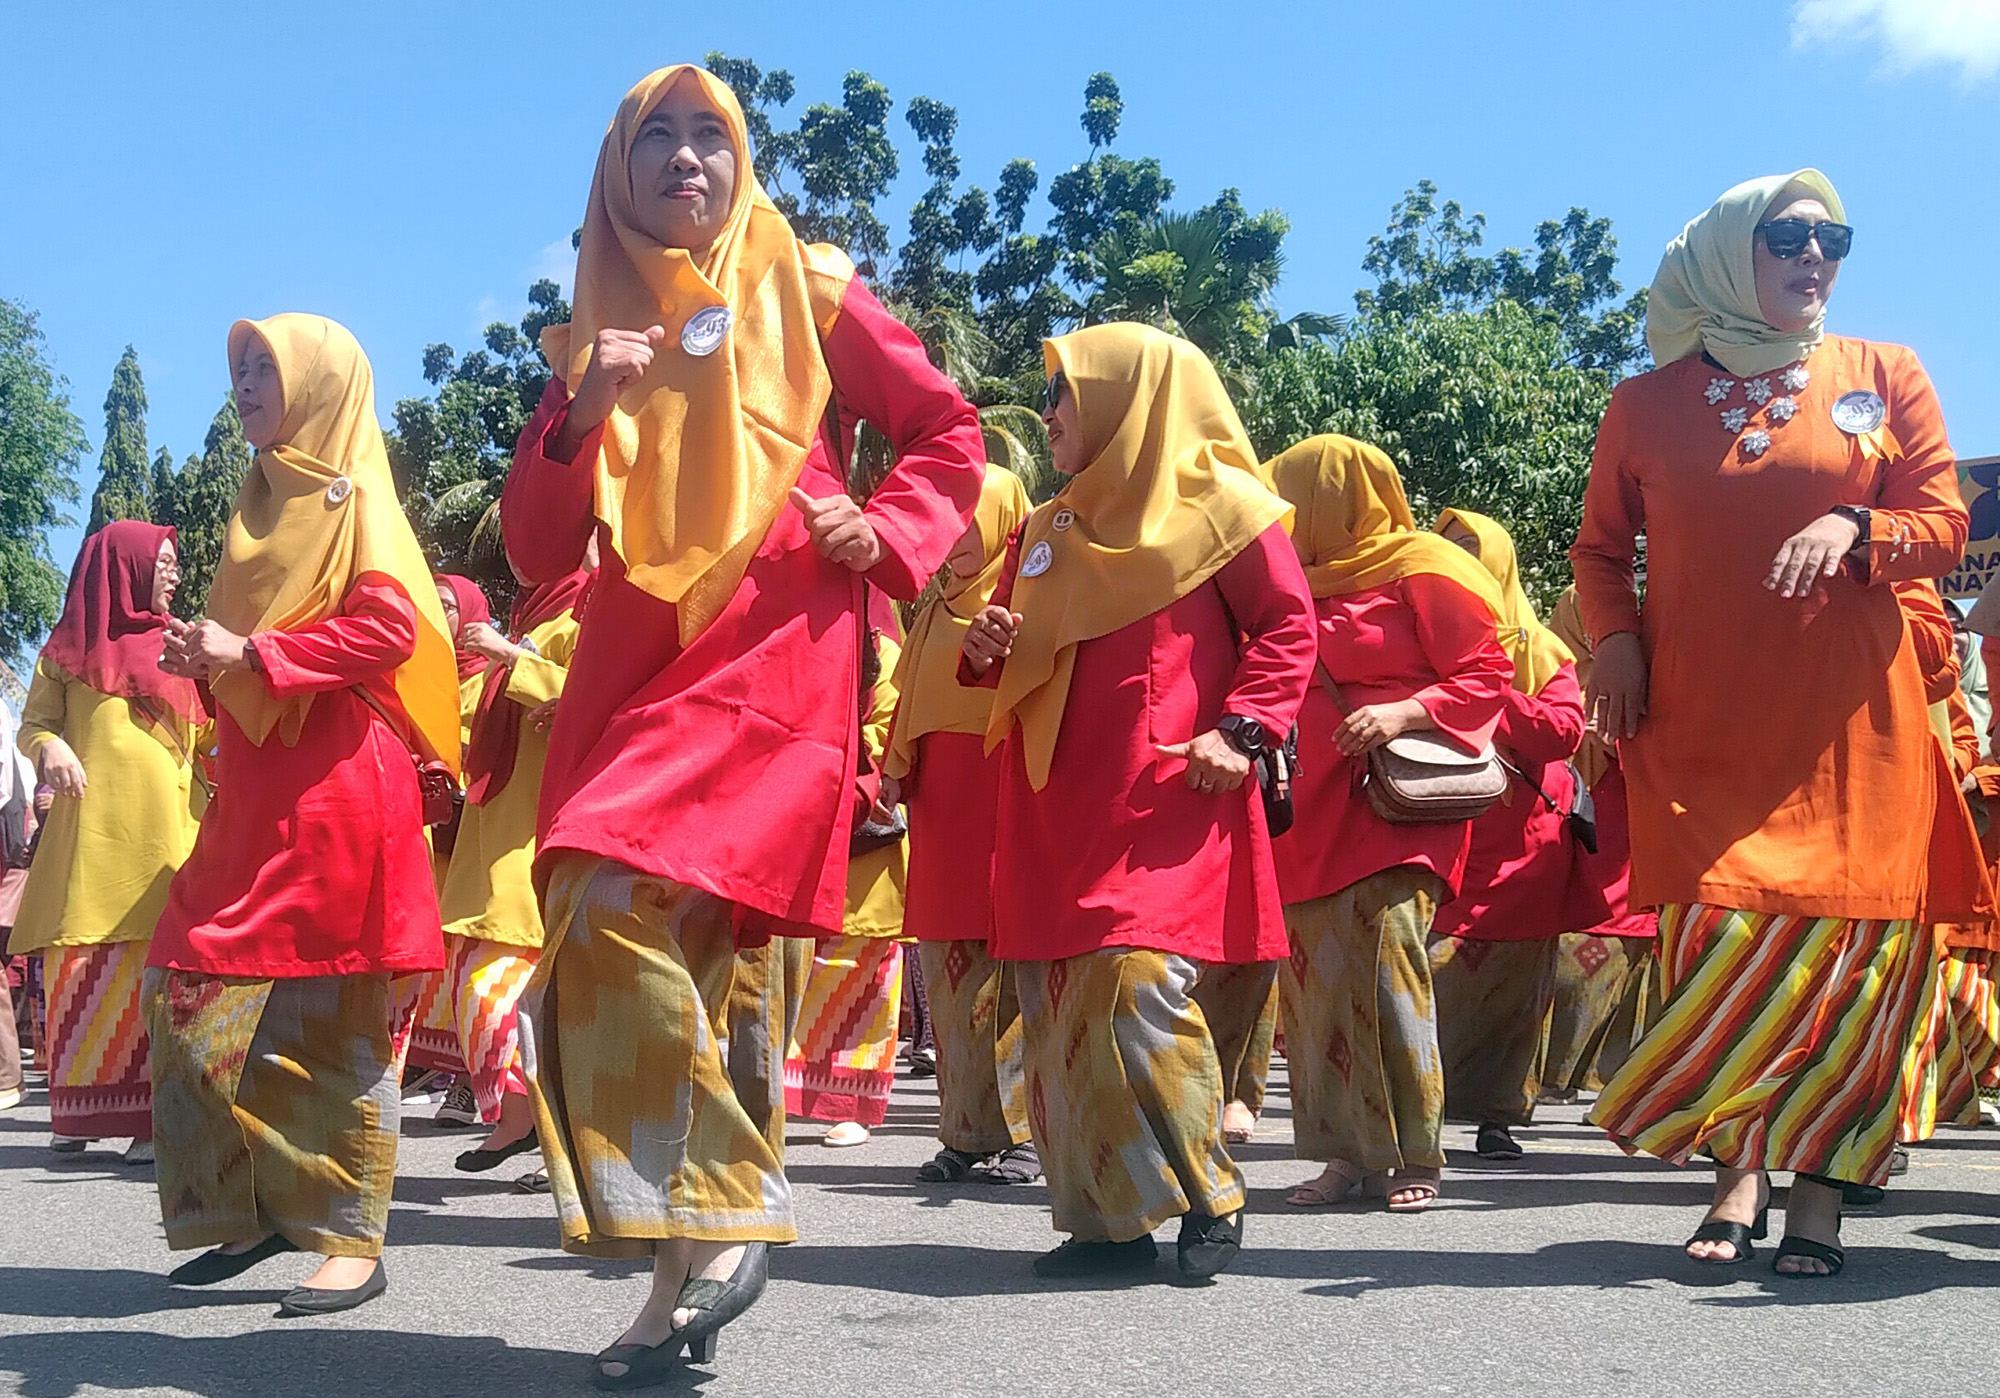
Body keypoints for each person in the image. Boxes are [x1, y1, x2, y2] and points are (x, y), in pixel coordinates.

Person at [499, 64, 981, 1385]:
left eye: (709, 135)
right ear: (614, 173)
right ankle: (680, 1282)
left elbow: (947, 433)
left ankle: (707, 1224)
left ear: (741, 159)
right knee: (642, 945)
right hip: (628, 669)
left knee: (614, 903)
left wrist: (886, 528)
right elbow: (535, 549)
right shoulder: (592, 327)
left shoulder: (809, 286)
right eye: (653, 137)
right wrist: (580, 411)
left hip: (770, 655)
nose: (684, 158)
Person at [1573, 169, 1989, 1278]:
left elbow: (1943, 523)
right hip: (1700, 729)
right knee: (1719, 948)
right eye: (1788, 236)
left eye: (1832, 238)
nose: (1815, 255)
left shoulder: (1884, 373)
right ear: (1725, 255)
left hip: (1857, 734)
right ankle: (1736, 1172)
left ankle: (1817, 1198)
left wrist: (1859, 525)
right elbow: (1599, 552)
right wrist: (1614, 640)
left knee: (1850, 969)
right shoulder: (1643, 404)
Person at [961, 323, 1313, 1280]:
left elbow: (1288, 628)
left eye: (1064, 394)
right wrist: (987, 644)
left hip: (1163, 793)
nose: (1048, 414)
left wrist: (1242, 730)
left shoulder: (1229, 509)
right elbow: (1013, 645)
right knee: (1056, 1006)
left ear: (1129, 398)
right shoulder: (1047, 527)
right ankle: (1107, 1224)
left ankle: (1210, 1194)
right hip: (1050, 802)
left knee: (1133, 985)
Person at [144, 312, 458, 1315]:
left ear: (320, 385)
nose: (242, 384)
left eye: (263, 369)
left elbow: (392, 630)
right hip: (255, 795)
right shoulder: (258, 504)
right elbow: (246, 664)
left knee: (331, 1024)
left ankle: (351, 1242)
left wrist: (253, 654)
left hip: (337, 791)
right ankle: (255, 1214)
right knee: (182, 996)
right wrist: (209, 662)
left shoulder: (353, 496)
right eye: (237, 367)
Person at [1261, 436, 1514, 1213]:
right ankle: (1344, 1154)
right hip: (1306, 815)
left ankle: (1414, 1152)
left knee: (1386, 972)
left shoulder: (1425, 568)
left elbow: (1489, 672)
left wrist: (1406, 710)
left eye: (1292, 497)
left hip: (1393, 807)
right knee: (1315, 988)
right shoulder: (1290, 584)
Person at [12, 521, 206, 1162]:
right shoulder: (64, 650)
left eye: (175, 563)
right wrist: (51, 747)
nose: (175, 574)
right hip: (92, 838)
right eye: (164, 563)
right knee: (83, 967)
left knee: (159, 972)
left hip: (168, 836)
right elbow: (33, 726)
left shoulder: (180, 644)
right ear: (125, 568)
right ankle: (83, 1114)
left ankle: (151, 1121)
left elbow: (213, 735)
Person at [882, 465, 1039, 1184]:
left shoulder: (1030, 595)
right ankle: (966, 1132)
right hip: (943, 808)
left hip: (1006, 792)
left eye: (973, 520)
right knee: (950, 974)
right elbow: (910, 702)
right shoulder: (937, 607)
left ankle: (1026, 1134)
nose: (958, 536)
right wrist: (895, 771)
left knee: (1011, 968)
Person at [1426, 509, 1591, 1162]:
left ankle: (1498, 1117)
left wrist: (1485, 694)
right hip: (1436, 830)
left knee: (1516, 986)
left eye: (1473, 550)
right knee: (1427, 977)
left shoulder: (1540, 650)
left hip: (1523, 847)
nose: (1461, 563)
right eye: (1449, 550)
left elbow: (1562, 733)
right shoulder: (1418, 636)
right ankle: (1417, 1112)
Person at [432, 549, 593, 1170]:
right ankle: (522, 1123)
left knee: (495, 987)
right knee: (477, 982)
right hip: (493, 827)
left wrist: (511, 658)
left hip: (534, 829)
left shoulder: (585, 612)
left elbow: (597, 698)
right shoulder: (535, 617)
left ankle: (546, 1130)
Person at [784, 611, 911, 1147]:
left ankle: (851, 1101)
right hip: (799, 832)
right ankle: (782, 1089)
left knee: (863, 970)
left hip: (862, 840)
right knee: (795, 966)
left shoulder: (885, 656)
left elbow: (891, 732)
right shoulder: (793, 643)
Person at [1536, 587, 1662, 1103]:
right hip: (1581, 810)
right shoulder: (1554, 650)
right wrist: (1586, 730)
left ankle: (1611, 1074)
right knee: (1578, 936)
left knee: (1632, 933)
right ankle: (1553, 1072)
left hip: (1647, 810)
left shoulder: (1661, 652)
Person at [404, 572, 496, 1112]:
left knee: (468, 954)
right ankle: (440, 1067)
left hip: (474, 830)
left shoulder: (490, 675)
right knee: (437, 957)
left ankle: (468, 1079)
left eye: (448, 606)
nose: (439, 616)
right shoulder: (424, 675)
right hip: (435, 835)